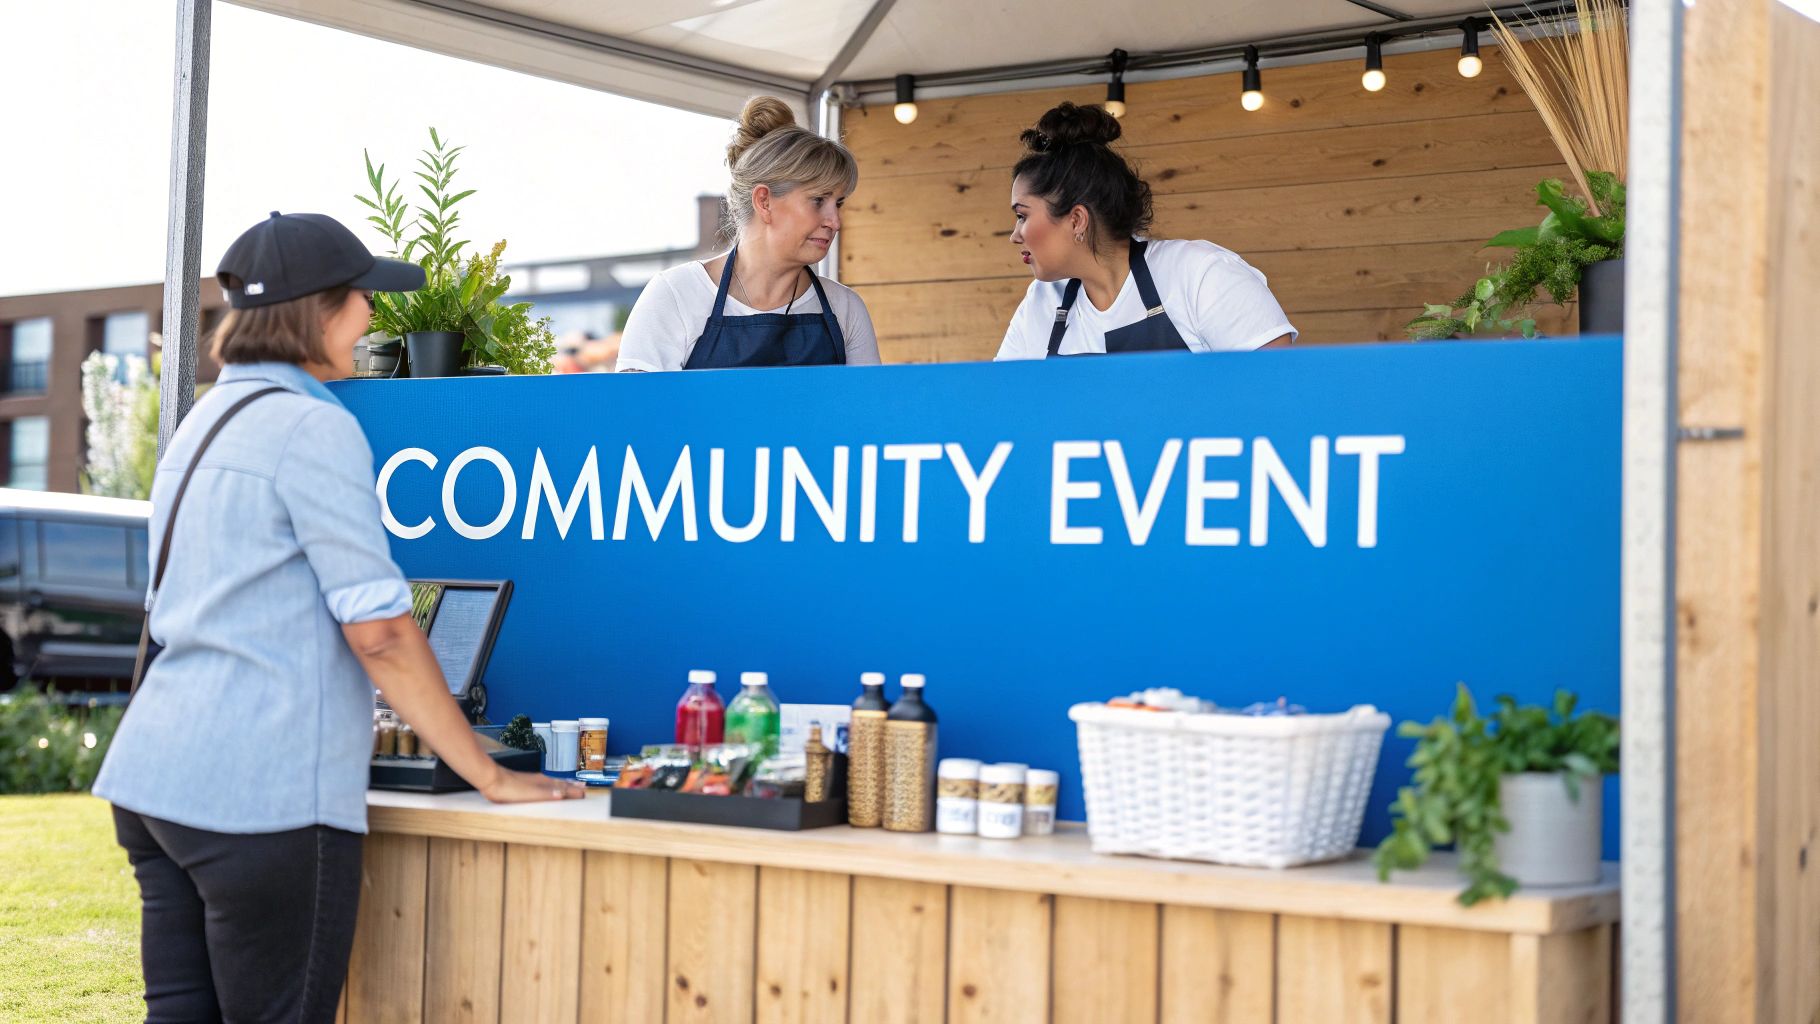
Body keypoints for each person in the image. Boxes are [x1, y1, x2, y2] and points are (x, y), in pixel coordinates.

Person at [92, 211, 584, 1024]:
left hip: (156, 777)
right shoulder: (315, 426)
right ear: (318, 310)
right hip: (256, 794)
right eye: (360, 300)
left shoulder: (203, 422)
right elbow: (382, 631)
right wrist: (489, 773)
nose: (371, 320)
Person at [995, 102, 1297, 359]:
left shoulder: (1200, 273)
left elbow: (1282, 390)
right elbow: (1000, 404)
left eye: (1022, 216)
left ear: (1077, 220)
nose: (1015, 235)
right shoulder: (1041, 302)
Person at [617, 96, 881, 370]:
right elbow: (635, 410)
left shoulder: (846, 309)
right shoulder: (675, 296)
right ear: (764, 202)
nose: (834, 222)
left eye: (838, 203)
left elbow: (870, 412)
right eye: (818, 201)